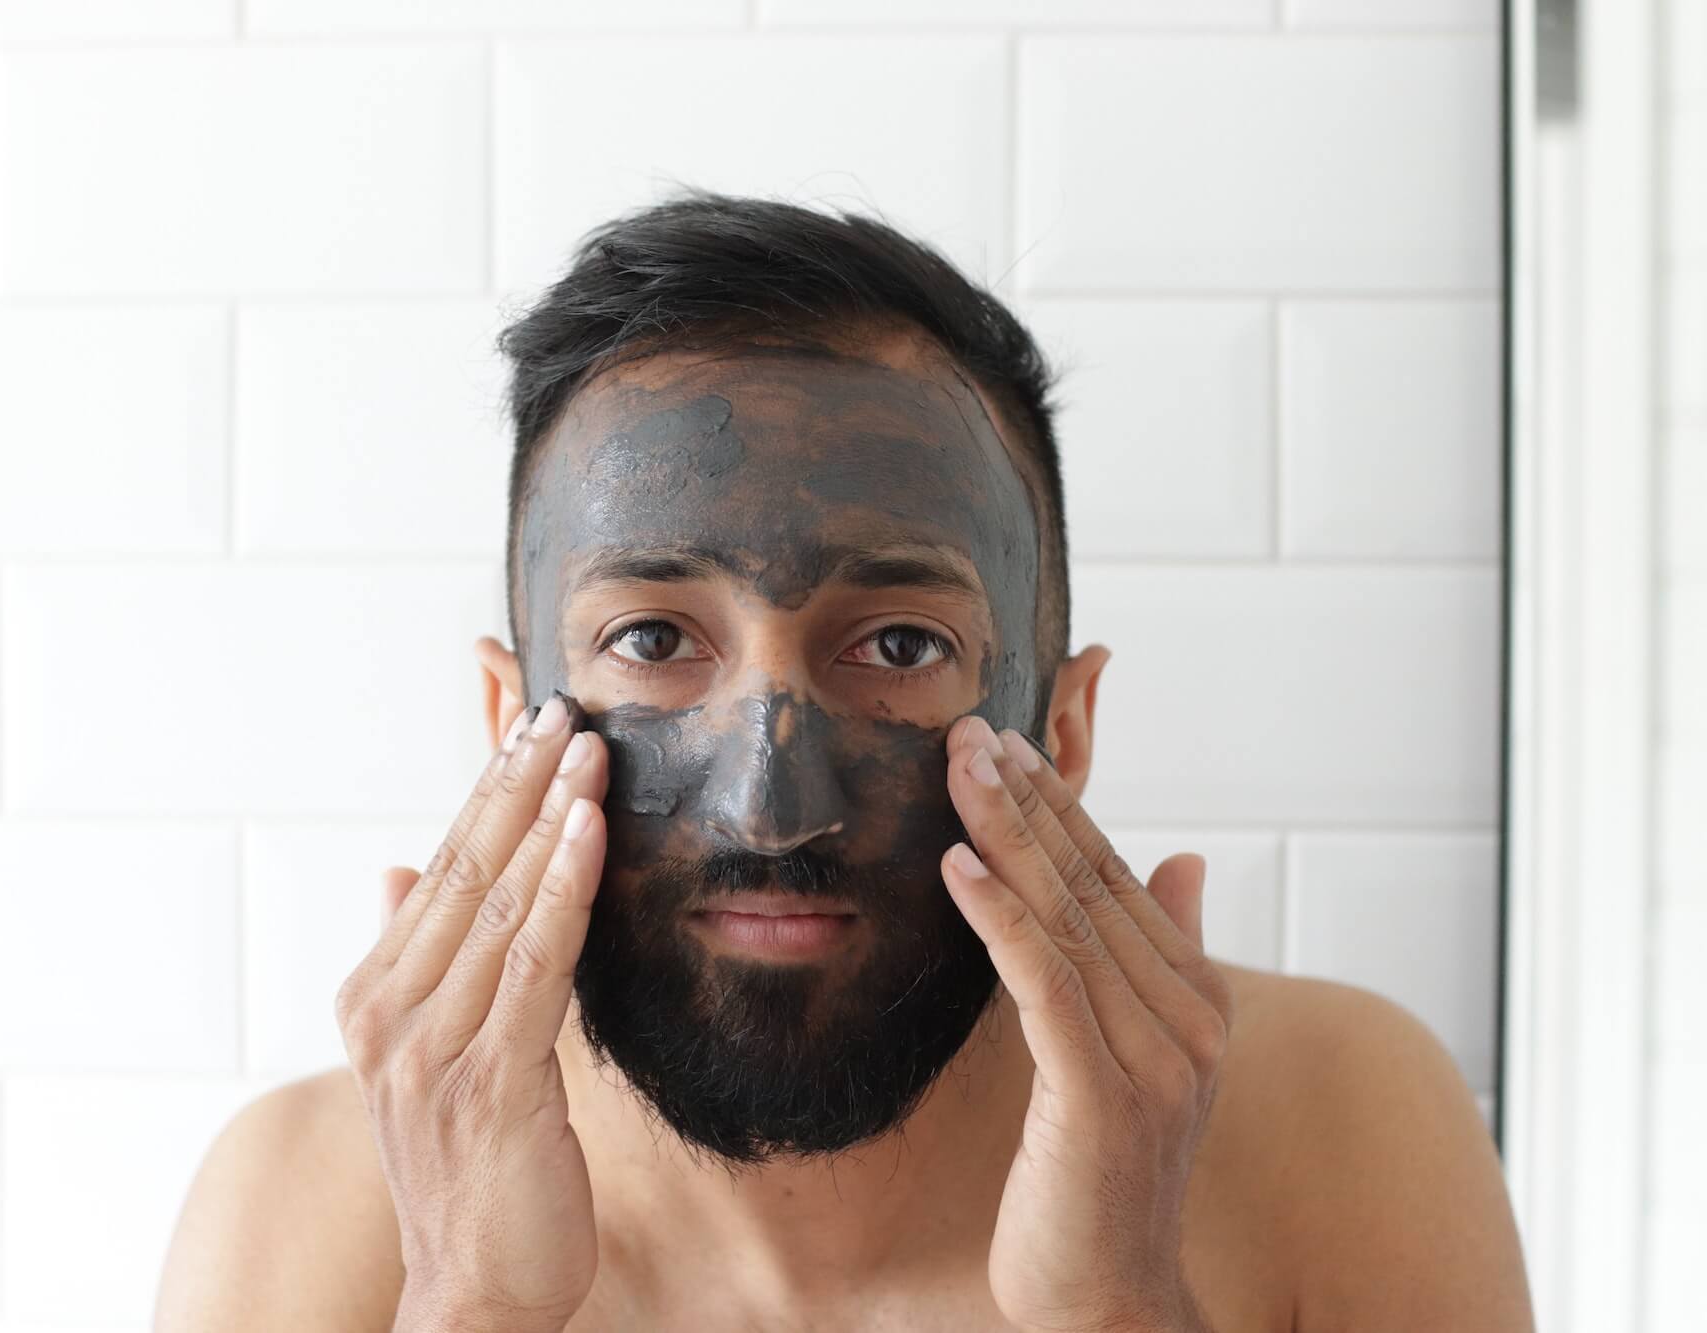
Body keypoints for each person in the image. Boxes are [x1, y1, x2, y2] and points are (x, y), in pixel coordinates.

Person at [153, 192, 1534, 1331]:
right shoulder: (309, 1210)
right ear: (511, 719)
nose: (772, 800)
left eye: (895, 646)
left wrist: (1117, 1300)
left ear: (1062, 727)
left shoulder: (1340, 1133)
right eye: (652, 637)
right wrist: (469, 1303)